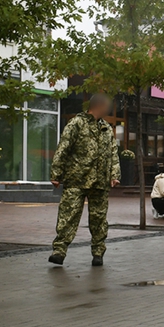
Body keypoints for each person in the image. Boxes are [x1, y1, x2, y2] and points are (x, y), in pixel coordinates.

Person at [47, 94, 121, 267]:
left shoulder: (106, 128)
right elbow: (63, 149)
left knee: (99, 218)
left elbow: (113, 154)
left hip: (100, 181)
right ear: (98, 105)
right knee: (68, 215)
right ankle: (59, 251)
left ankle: (98, 252)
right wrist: (56, 174)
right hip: (77, 178)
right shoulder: (76, 124)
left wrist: (115, 174)